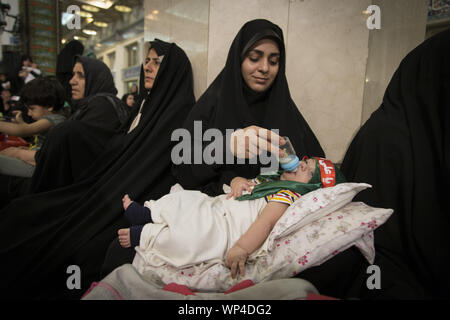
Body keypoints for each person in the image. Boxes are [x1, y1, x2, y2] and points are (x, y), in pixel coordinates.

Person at [0, 39, 195, 299]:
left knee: (62, 242)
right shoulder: (144, 107)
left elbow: (151, 168)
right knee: (25, 213)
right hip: (104, 187)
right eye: (146, 61)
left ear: (171, 70)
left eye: (157, 62)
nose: (148, 67)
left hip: (125, 199)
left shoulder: (177, 114)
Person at [118, 156, 345, 279]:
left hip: (224, 228)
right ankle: (149, 213)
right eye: (305, 161)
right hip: (218, 207)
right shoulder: (271, 182)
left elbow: (264, 223)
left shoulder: (287, 195)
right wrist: (238, 181)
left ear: (312, 188)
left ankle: (146, 234)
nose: (301, 163)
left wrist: (242, 249)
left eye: (308, 170)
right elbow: (244, 183)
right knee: (187, 200)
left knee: (191, 237)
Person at [172, 19, 324, 197]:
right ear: (239, 59)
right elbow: (183, 171)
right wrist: (224, 147)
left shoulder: (284, 109)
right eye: (254, 58)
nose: (264, 68)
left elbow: (318, 172)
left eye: (274, 61)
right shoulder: (212, 106)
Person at [0, 77, 67, 177]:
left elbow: (25, 130)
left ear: (49, 106)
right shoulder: (57, 117)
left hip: (37, 168)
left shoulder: (52, 119)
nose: (29, 113)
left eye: (32, 109)